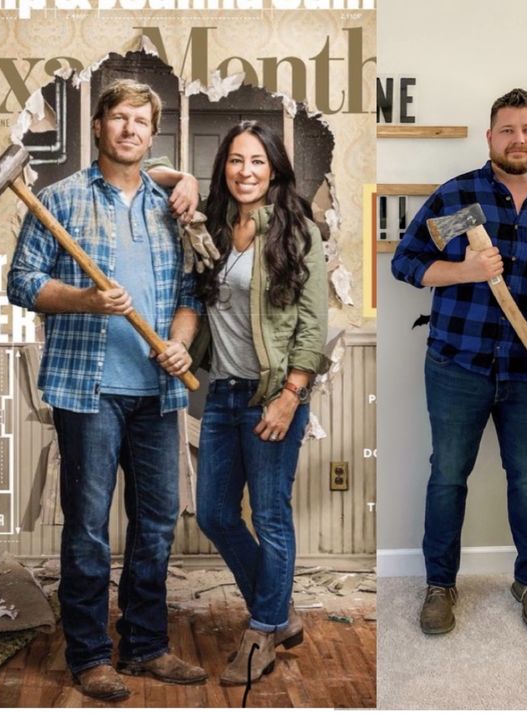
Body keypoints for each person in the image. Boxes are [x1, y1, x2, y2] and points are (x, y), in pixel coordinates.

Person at [7, 79, 207, 701]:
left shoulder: (170, 207)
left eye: (141, 122)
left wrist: (178, 341)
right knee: (88, 527)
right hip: (86, 389)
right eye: (118, 118)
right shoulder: (58, 200)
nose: (129, 130)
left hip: (156, 390)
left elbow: (189, 298)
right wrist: (86, 299)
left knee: (154, 525)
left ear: (153, 134)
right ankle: (91, 655)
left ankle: (147, 645)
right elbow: (21, 283)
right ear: (98, 126)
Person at [391, 88, 527, 637]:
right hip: (457, 365)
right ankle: (439, 584)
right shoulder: (459, 199)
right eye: (508, 130)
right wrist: (466, 271)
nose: (519, 139)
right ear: (490, 136)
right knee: (447, 478)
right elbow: (408, 262)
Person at [188, 120, 329, 685]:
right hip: (222, 392)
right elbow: (153, 176)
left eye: (257, 162)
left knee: (271, 516)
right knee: (216, 514)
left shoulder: (298, 231)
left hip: (273, 396)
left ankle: (263, 627)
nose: (245, 172)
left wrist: (291, 397)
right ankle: (280, 613)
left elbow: (313, 327)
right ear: (223, 167)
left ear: (274, 170)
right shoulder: (212, 228)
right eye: (234, 161)